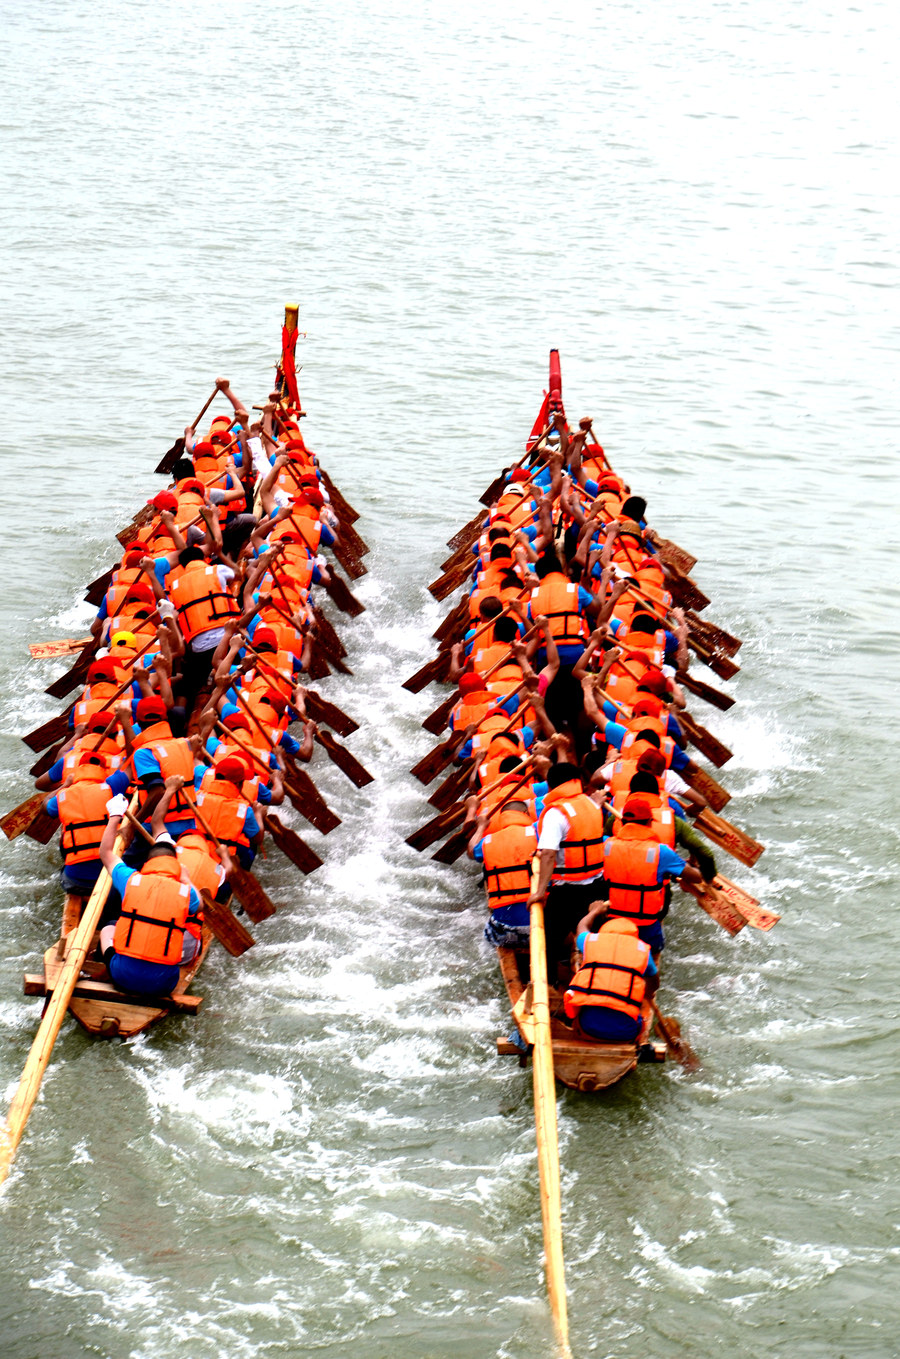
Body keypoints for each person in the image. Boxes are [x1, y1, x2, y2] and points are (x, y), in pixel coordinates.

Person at [98, 795, 202, 996]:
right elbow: (200, 906)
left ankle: (110, 965)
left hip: (122, 977)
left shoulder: (130, 879)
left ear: (148, 862)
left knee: (108, 929)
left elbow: (106, 853)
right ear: (176, 866)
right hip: (164, 984)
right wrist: (187, 878)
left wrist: (115, 816)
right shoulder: (186, 892)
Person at [529, 762, 608, 974]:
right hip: (597, 887)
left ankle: (550, 983)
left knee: (548, 942)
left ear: (551, 786)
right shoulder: (591, 804)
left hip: (567, 891)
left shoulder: (557, 812)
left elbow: (547, 854)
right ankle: (595, 977)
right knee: (593, 938)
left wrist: (539, 892)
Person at [602, 794, 701, 955]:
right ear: (649, 822)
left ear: (621, 822)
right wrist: (685, 864)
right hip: (645, 925)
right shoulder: (661, 852)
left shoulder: (606, 844)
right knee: (650, 962)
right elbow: (695, 877)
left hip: (612, 920)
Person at [564, 908, 658, 1044]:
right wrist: (648, 994)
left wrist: (594, 912)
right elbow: (654, 982)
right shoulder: (642, 950)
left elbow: (581, 926)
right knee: (637, 1014)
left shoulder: (591, 941)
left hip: (587, 1029)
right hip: (627, 1035)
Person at [468, 799, 537, 948]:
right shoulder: (538, 834)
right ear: (525, 814)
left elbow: (471, 851)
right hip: (537, 925)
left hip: (503, 930)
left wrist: (481, 827)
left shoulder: (488, 841)